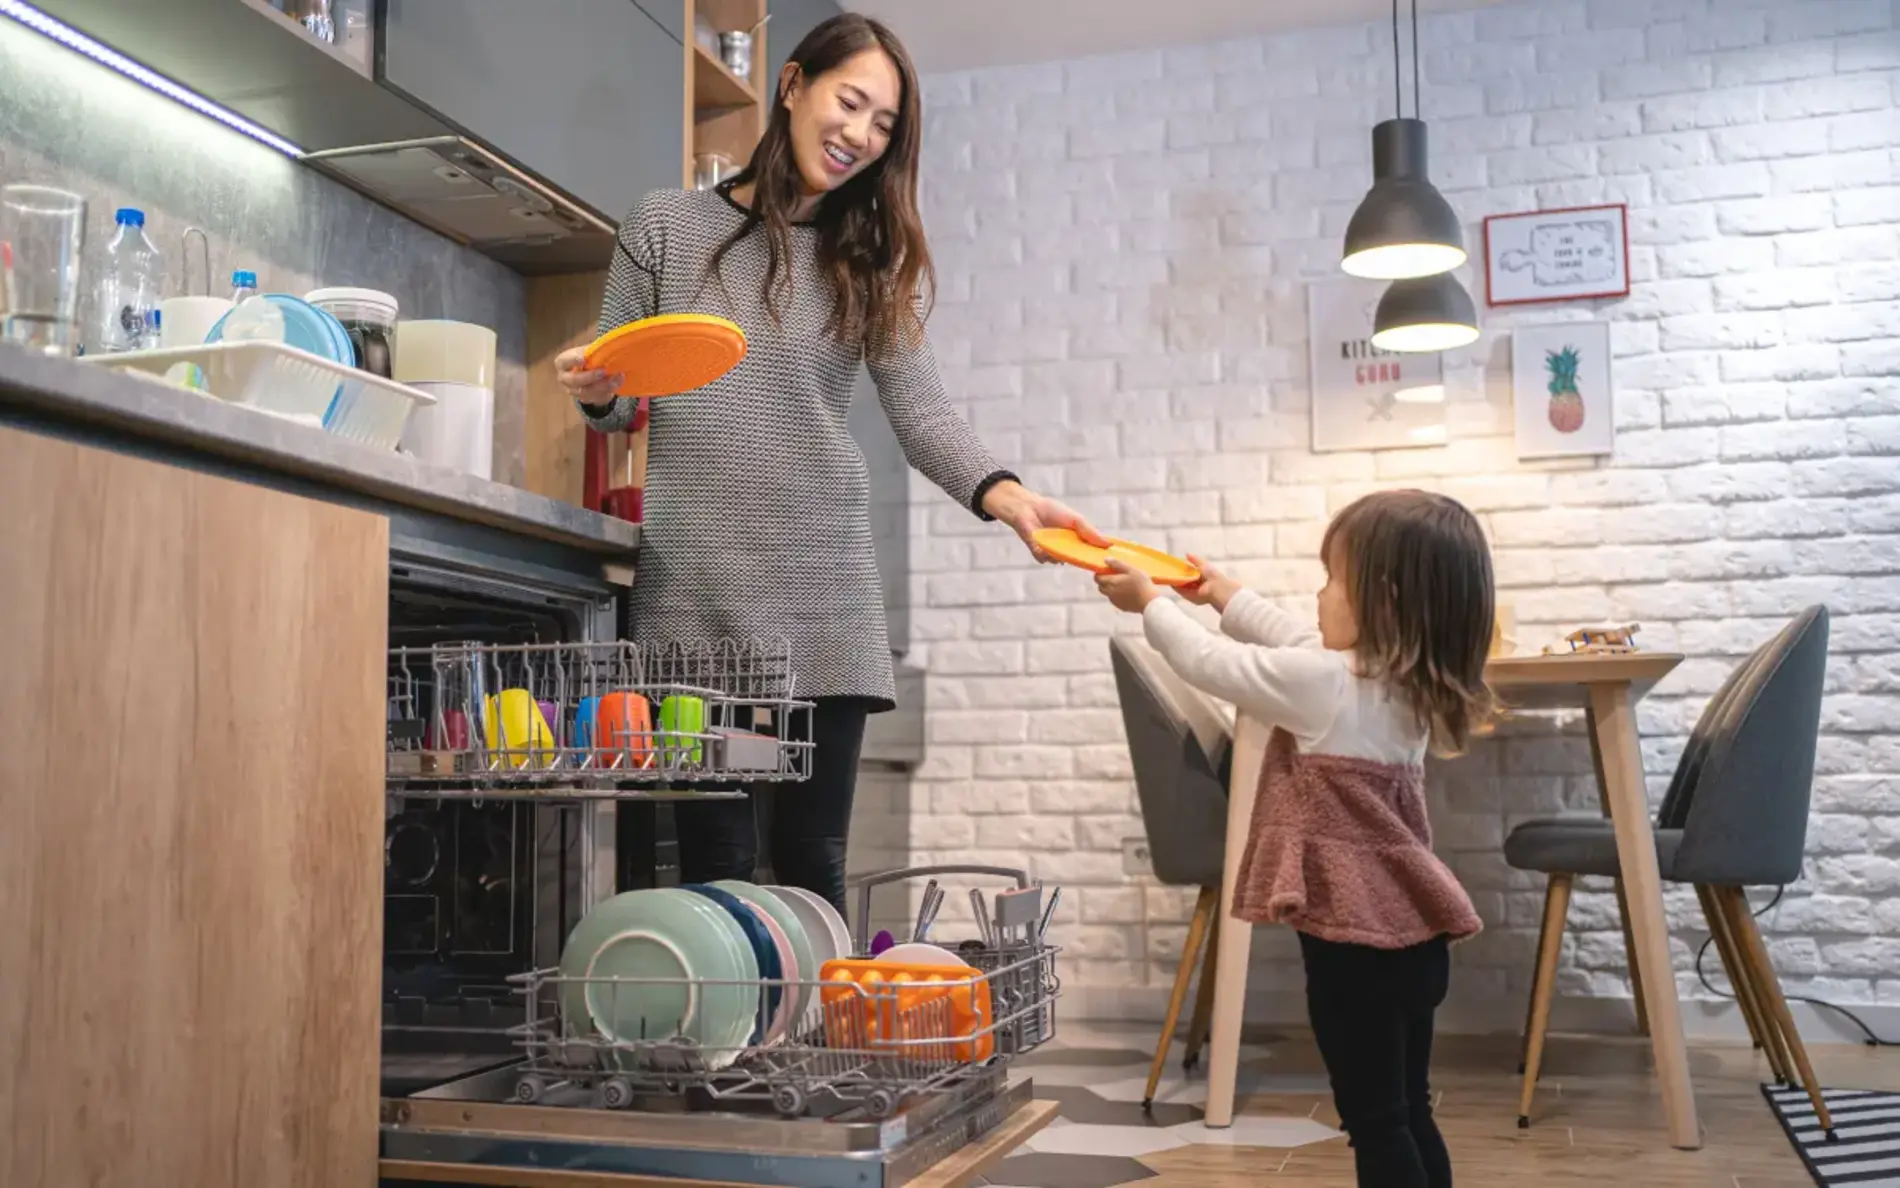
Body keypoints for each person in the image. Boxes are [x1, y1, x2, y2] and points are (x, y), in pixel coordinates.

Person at [555, 13, 1100, 916]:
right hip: (698, 586)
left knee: (812, 863)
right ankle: (725, 1057)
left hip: (824, 581)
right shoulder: (663, 226)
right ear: (793, 83)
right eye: (851, 103)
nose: (860, 135)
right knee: (713, 864)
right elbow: (620, 393)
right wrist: (592, 387)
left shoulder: (868, 261)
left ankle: (811, 1054)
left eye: (884, 125)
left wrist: (1006, 496)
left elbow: (919, 409)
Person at [1094, 489, 1492, 1188]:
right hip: (1413, 941)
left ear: (1383, 597)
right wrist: (1224, 594)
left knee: (1374, 1125)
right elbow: (1295, 640)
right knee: (1409, 1112)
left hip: (1351, 951)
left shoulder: (1325, 686)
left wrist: (1152, 604)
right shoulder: (1408, 685)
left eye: (1331, 578)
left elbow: (1212, 665)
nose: (1318, 594)